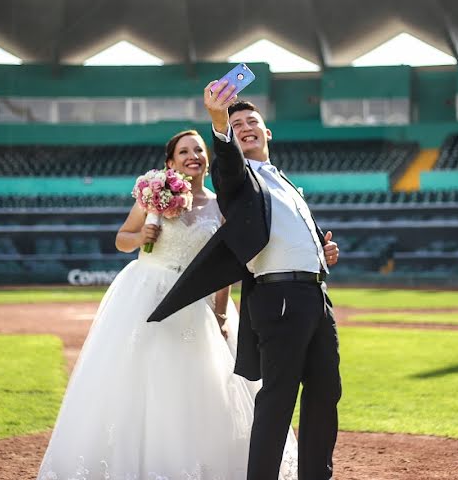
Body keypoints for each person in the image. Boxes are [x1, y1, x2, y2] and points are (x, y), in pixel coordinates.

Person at [37, 129, 297, 480]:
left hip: (195, 301)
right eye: (184, 151)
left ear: (208, 158)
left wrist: (220, 314)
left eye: (199, 150)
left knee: (200, 385)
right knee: (139, 381)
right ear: (170, 162)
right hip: (144, 294)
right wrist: (140, 237)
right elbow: (121, 240)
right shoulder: (154, 193)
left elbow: (228, 267)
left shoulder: (223, 206)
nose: (193, 156)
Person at [150, 82, 342, 480]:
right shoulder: (235, 176)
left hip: (316, 294)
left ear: (267, 131)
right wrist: (219, 124)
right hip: (279, 297)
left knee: (326, 392)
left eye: (252, 121)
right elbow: (228, 164)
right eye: (237, 125)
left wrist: (321, 254)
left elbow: (288, 229)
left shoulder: (284, 179)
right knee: (279, 396)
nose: (246, 126)